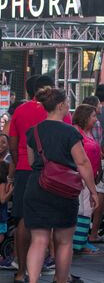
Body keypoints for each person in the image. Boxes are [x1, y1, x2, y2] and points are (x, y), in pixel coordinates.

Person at [24, 87, 99, 283]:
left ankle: (32, 280)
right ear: (60, 106)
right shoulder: (70, 132)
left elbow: (32, 162)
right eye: (66, 103)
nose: (68, 107)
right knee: (64, 241)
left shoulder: (33, 132)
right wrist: (93, 190)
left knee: (38, 240)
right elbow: (82, 162)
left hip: (37, 188)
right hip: (64, 191)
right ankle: (61, 280)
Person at [8, 74, 71, 282]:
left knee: (24, 220)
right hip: (57, 173)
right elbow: (70, 142)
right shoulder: (61, 112)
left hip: (27, 170)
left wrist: (18, 165)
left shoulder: (20, 110)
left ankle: (21, 272)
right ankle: (61, 274)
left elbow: (13, 140)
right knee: (58, 224)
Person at [70, 104, 101, 255]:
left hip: (90, 177)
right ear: (85, 117)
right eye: (93, 116)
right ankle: (76, 244)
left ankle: (80, 242)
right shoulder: (76, 131)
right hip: (79, 177)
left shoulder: (88, 133)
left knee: (87, 210)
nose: (96, 119)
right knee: (81, 210)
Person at [89, 88, 104, 243]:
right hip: (98, 162)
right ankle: (92, 234)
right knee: (98, 196)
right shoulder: (97, 120)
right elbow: (99, 144)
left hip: (91, 161)